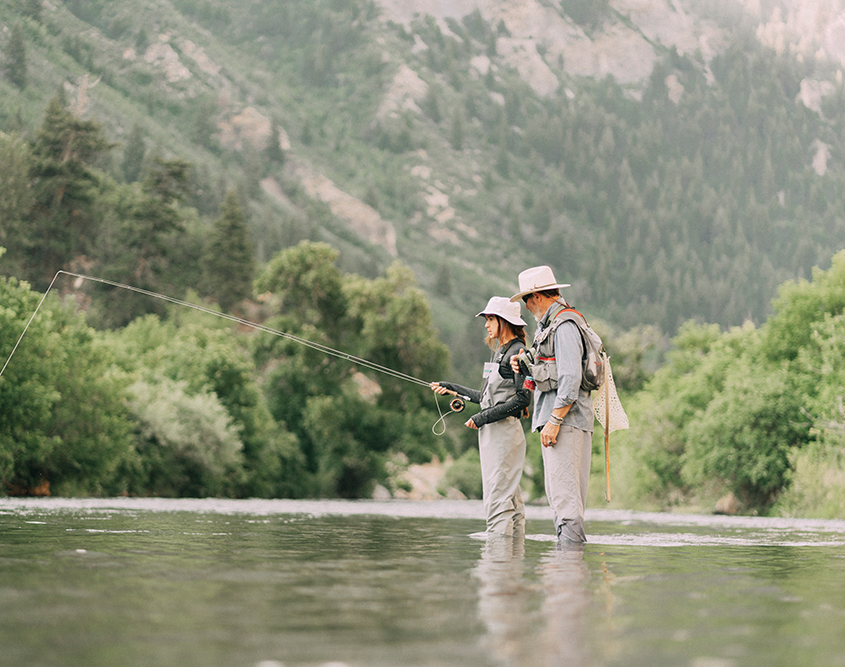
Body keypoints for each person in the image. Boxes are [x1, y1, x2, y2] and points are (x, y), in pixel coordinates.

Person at [431, 297, 531, 536]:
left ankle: (497, 563)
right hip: (496, 434)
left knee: (498, 499)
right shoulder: (502, 352)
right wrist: (452, 388)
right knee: (510, 500)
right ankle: (511, 562)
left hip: (504, 434)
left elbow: (522, 399)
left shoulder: (517, 353)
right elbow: (485, 397)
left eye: (490, 319)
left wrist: (481, 418)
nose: (486, 325)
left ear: (504, 321)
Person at [509, 266, 593, 544]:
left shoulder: (564, 325)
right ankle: (568, 572)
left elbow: (570, 378)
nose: (526, 306)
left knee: (565, 502)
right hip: (565, 421)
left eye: (525, 299)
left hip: (566, 422)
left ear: (536, 296)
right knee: (562, 498)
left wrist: (554, 421)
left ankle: (567, 574)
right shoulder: (552, 324)